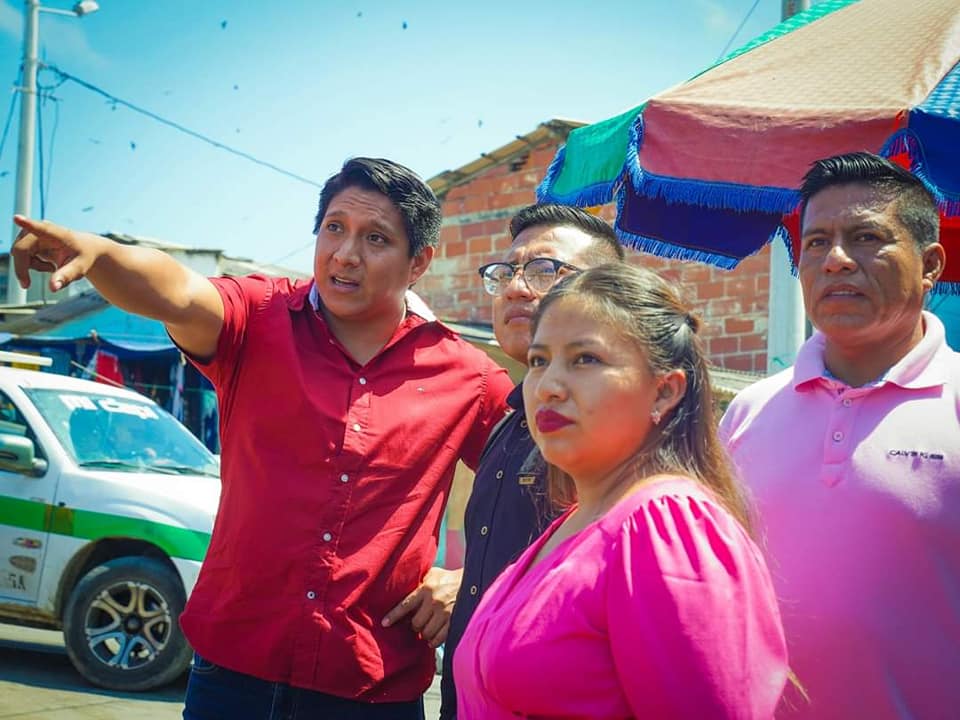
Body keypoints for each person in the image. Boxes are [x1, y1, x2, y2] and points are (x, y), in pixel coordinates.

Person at [11, 157, 514, 719]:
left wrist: (474, 578)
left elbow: (557, 492)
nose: (346, 254)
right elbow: (177, 291)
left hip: (371, 688)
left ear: (419, 261)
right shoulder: (256, 316)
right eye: (334, 228)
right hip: (232, 679)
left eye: (376, 238)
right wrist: (101, 253)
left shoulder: (468, 376)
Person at [455, 264, 789, 719]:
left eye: (585, 359)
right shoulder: (574, 524)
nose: (548, 387)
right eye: (538, 361)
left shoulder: (666, 526)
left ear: (664, 391)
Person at [719, 151, 958, 719]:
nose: (835, 261)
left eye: (866, 237)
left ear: (930, 265)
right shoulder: (749, 411)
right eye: (817, 242)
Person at [429, 204, 624, 719]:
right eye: (506, 271)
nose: (516, 288)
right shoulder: (507, 424)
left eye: (543, 270)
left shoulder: (616, 435)